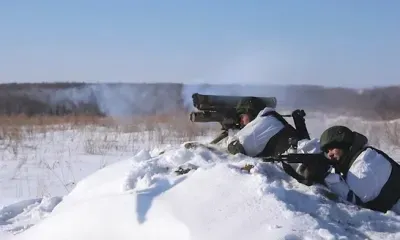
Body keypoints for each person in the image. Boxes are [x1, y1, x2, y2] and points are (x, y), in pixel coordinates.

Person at [318, 125, 400, 214]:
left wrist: (325, 176)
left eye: (332, 149)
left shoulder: (363, 165)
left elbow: (354, 204)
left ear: (344, 145)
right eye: (327, 151)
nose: (330, 154)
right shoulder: (365, 155)